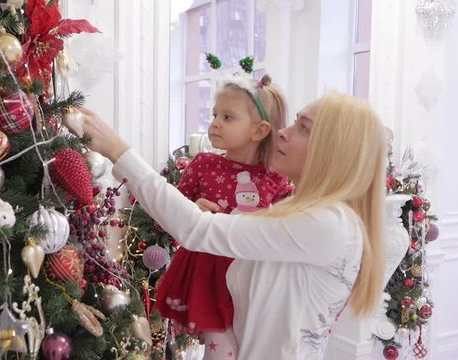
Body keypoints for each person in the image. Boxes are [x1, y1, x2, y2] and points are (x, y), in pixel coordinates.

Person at [65, 91, 386, 359]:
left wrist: (117, 150)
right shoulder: (299, 212)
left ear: (334, 152)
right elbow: (224, 238)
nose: (284, 132)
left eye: (304, 127)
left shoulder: (328, 223)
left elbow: (196, 230)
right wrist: (215, 218)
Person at [155, 74, 291, 359]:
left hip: (254, 279)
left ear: (259, 130)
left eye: (228, 117)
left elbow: (285, 232)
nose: (215, 122)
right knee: (220, 351)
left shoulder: (276, 179)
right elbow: (167, 213)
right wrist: (193, 208)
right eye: (216, 114)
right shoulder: (204, 164)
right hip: (209, 276)